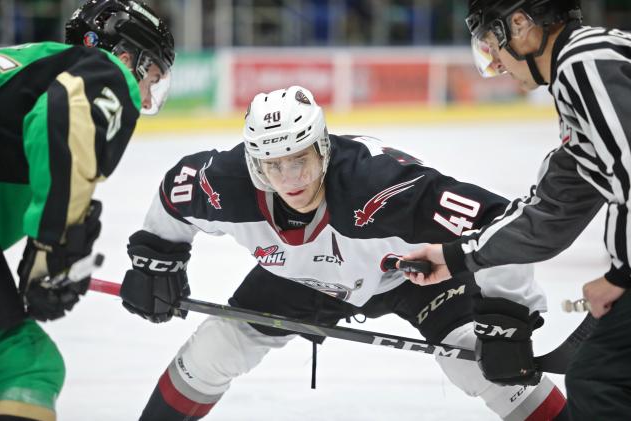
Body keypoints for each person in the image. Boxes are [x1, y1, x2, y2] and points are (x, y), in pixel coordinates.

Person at [120, 85, 569, 421]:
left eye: (300, 159)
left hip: (411, 271)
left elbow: (501, 225)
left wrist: (507, 320)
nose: (290, 178)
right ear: (255, 164)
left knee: (481, 366)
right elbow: (174, 192)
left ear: (323, 147)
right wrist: (157, 258)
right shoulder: (228, 183)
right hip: (298, 277)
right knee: (214, 349)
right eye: (273, 166)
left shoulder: (380, 186)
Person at [401, 0, 631, 419]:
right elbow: (550, 213)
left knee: (602, 380)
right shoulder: (578, 80)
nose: (497, 62)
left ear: (521, 25)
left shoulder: (584, 62)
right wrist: (454, 256)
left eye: (492, 44)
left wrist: (622, 275)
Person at [0, 1, 174, 419]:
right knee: (25, 365)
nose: (146, 95)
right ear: (129, 57)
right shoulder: (103, 70)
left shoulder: (31, 66)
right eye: (150, 79)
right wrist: (55, 241)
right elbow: (69, 113)